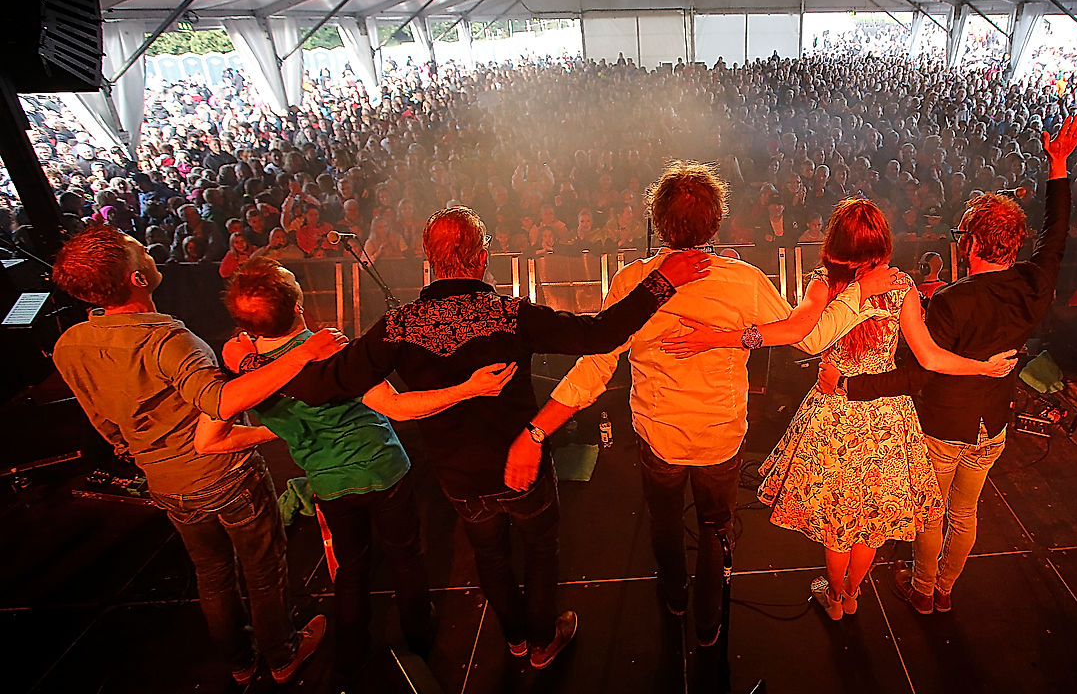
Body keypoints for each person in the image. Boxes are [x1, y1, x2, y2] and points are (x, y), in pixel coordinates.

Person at [271, 206, 710, 670]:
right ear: (481, 259)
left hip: (458, 476)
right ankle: (543, 640)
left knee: (490, 554)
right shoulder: (507, 314)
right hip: (521, 462)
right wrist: (661, 282)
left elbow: (325, 385)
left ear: (429, 261)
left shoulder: (396, 327)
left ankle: (516, 637)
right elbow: (599, 334)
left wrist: (271, 362)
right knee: (540, 551)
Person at [512, 163, 901, 649]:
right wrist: (855, 291)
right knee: (717, 527)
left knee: (665, 521)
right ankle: (708, 621)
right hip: (720, 435)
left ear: (658, 220)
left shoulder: (632, 280)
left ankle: (675, 596)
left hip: (658, 435)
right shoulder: (742, 279)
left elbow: (594, 368)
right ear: (716, 221)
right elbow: (809, 336)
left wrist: (538, 430)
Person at [662, 196, 1016, 622]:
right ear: (884, 243)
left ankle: (834, 596)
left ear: (835, 244)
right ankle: (852, 592)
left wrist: (718, 337)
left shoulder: (823, 283)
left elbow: (795, 331)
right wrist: (983, 367)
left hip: (834, 413)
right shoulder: (902, 287)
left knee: (837, 523)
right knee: (871, 521)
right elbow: (931, 359)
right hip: (887, 419)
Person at [197, 258, 517, 687]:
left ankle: (349, 654)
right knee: (406, 556)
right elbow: (397, 407)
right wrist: (469, 388)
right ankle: (419, 635)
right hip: (384, 470)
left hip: (328, 482)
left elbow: (210, 440)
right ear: (299, 305)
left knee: (351, 568)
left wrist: (279, 431)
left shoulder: (249, 371)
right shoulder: (334, 351)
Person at [51, 225, 345, 686]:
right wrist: (303, 355)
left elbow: (104, 425)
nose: (147, 249)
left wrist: (145, 452)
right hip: (226, 475)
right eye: (138, 249)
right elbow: (221, 402)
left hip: (165, 483)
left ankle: (239, 662)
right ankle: (283, 655)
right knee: (263, 569)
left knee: (211, 574)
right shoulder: (168, 340)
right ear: (137, 278)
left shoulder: (70, 345)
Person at [817, 114, 1077, 615]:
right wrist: (1059, 165)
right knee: (967, 511)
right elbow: (1058, 234)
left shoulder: (953, 299)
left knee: (932, 511)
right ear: (1014, 244)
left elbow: (921, 371)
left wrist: (850, 387)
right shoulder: (1037, 282)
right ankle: (944, 587)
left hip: (945, 424)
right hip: (995, 423)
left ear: (970, 244)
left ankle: (920, 588)